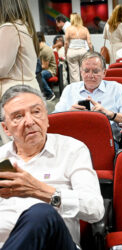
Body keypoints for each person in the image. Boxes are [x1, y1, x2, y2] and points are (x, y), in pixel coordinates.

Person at [0, 85, 104, 249]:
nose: (29, 121)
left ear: (47, 118)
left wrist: (41, 191)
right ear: (6, 129)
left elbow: (95, 209)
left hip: (57, 244)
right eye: (18, 116)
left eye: (36, 112)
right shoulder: (1, 158)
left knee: (41, 213)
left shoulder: (72, 150)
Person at [54, 52, 122, 144]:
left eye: (95, 71)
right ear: (81, 72)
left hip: (105, 139)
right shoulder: (70, 89)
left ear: (104, 73)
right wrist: (69, 114)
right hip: (74, 140)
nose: (90, 75)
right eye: (86, 71)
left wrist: (110, 114)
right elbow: (54, 120)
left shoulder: (116, 89)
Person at [0, 0, 41, 144]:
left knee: (18, 148)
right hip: (27, 89)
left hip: (14, 93)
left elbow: (2, 67)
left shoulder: (10, 27)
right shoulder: (24, 27)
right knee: (30, 145)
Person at [64, 13, 92, 83]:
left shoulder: (69, 29)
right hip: (83, 52)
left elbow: (66, 43)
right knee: (84, 72)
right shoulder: (85, 29)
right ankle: (85, 89)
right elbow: (89, 43)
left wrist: (65, 53)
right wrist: (91, 53)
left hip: (72, 52)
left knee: (74, 74)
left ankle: (76, 90)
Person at [37, 32, 56, 101]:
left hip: (50, 70)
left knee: (39, 74)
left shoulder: (45, 50)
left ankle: (50, 94)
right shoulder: (39, 49)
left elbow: (45, 66)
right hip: (43, 69)